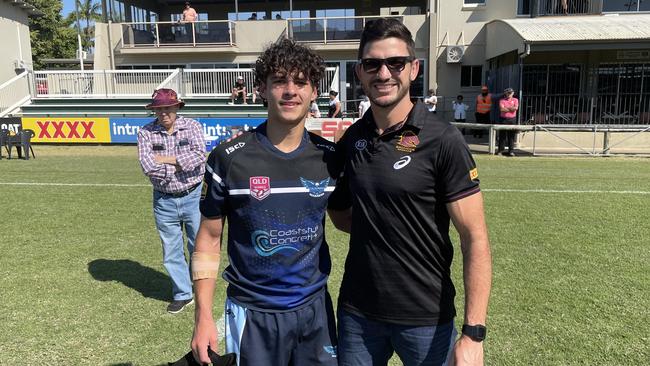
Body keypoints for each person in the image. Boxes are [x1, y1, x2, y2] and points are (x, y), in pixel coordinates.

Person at [328, 18, 492, 365]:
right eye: (372, 64)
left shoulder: (443, 139)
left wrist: (474, 332)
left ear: (414, 69)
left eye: (395, 63)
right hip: (358, 315)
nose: (383, 73)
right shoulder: (353, 139)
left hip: (426, 319)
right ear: (360, 73)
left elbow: (474, 237)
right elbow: (340, 212)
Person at [190, 38, 339, 366]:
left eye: (301, 82)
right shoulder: (228, 159)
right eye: (279, 81)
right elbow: (209, 239)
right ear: (261, 89)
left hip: (315, 312)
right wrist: (202, 317)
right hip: (253, 314)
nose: (290, 90)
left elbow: (349, 220)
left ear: (314, 92)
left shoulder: (329, 159)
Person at [137, 88, 206, 314]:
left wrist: (165, 160)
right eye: (159, 109)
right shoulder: (145, 132)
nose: (164, 113)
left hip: (194, 195)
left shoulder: (193, 126)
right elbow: (148, 166)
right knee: (171, 249)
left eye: (168, 107)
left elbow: (198, 157)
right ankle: (182, 294)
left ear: (177, 107)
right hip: (163, 200)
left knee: (199, 246)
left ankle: (202, 288)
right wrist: (177, 166)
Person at [498, 87, 519, 156]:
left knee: (511, 136)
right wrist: (511, 108)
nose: (509, 94)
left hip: (512, 119)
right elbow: (502, 110)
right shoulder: (502, 100)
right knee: (502, 136)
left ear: (513, 93)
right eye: (508, 93)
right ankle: (500, 151)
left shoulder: (515, 100)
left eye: (510, 93)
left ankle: (511, 151)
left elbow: (516, 108)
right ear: (505, 93)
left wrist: (506, 108)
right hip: (503, 119)